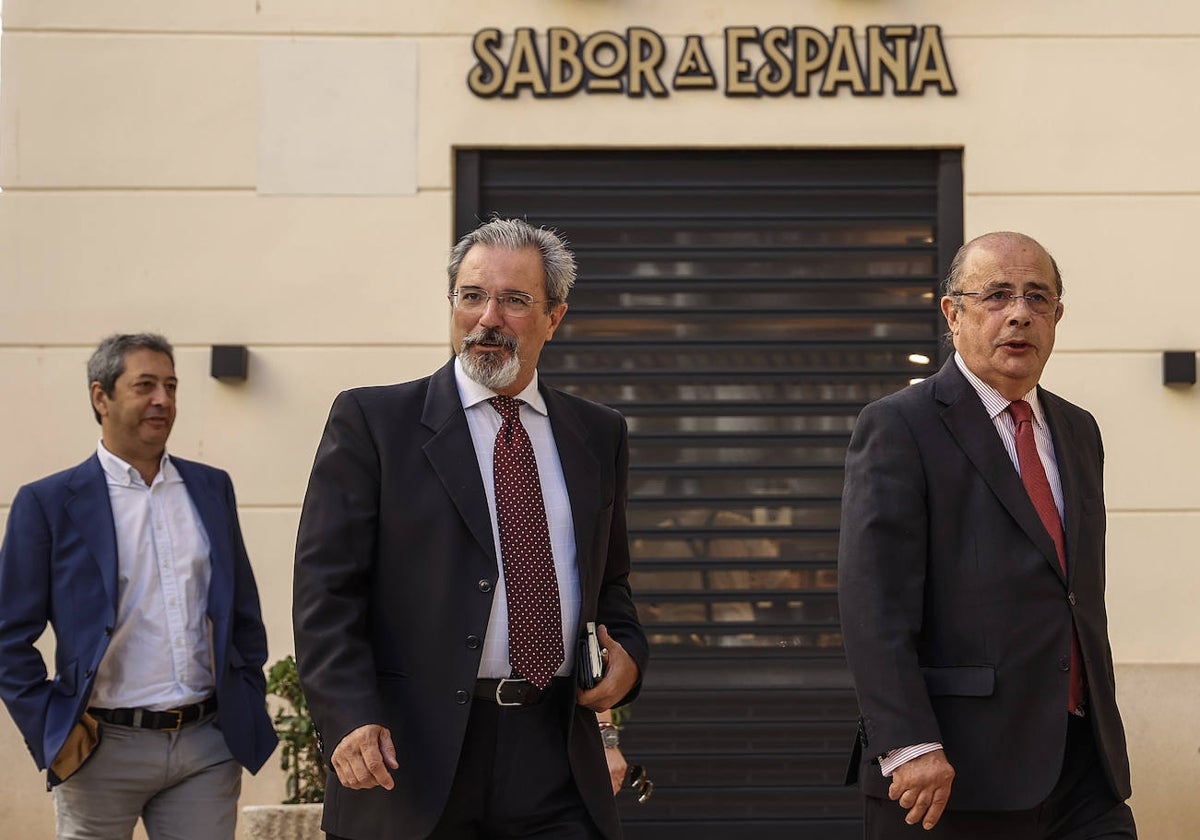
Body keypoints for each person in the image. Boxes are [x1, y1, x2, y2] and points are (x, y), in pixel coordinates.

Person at [293, 217, 648, 840]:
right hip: (412, 760)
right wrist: (349, 717)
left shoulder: (598, 433)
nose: (489, 318)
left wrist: (629, 660)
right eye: (472, 296)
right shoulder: (374, 422)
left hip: (555, 755)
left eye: (515, 300)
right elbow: (327, 592)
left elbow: (610, 584)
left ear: (554, 317)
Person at [838, 232, 1137, 839]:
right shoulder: (900, 426)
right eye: (996, 295)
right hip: (951, 773)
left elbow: (1071, 593)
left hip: (1083, 767)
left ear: (1057, 316)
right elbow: (873, 602)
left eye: (1038, 297)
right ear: (954, 314)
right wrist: (909, 743)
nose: (1019, 312)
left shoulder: (1078, 431)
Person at [0, 333, 277, 840]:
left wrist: (246, 692)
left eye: (171, 386)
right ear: (100, 396)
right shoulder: (48, 502)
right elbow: (7, 635)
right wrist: (48, 725)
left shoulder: (211, 487)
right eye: (145, 386)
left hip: (205, 747)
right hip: (99, 750)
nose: (163, 400)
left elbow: (242, 612)